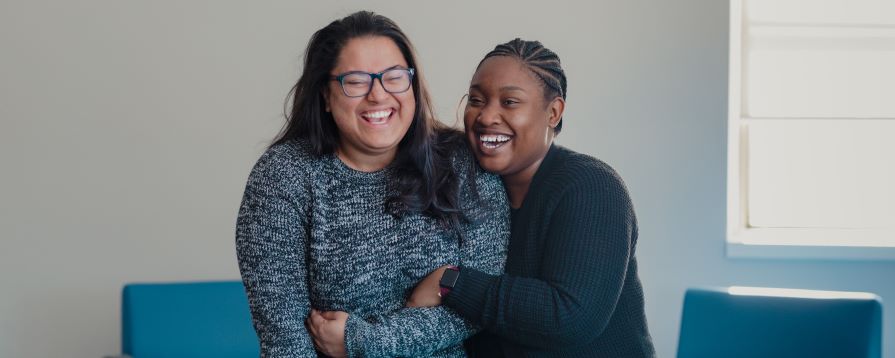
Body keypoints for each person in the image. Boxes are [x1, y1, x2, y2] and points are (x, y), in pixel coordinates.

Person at [235, 11, 509, 358]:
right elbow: (285, 341)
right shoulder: (284, 177)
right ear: (325, 95)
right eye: (356, 80)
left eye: (394, 77)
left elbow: (481, 303)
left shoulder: (461, 162)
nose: (378, 95)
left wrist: (362, 340)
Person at [406, 38, 656, 357]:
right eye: (477, 100)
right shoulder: (466, 188)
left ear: (553, 112)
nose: (486, 116)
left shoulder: (591, 186)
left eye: (509, 102)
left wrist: (451, 283)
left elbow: (570, 317)